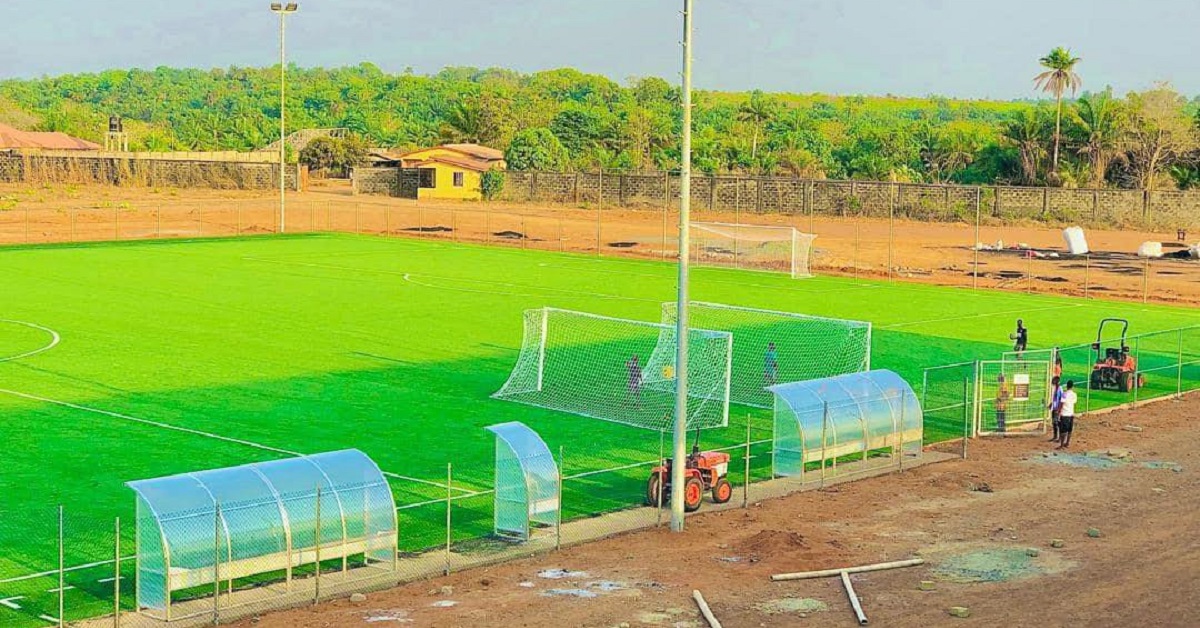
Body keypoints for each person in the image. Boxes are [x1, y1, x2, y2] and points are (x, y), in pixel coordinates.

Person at [1057, 380, 1077, 449]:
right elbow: (1074, 402)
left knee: (1063, 430)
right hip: (1071, 414)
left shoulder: (1064, 394)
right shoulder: (1074, 394)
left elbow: (1061, 403)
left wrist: (1058, 411)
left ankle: (1062, 445)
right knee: (1069, 430)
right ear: (1072, 386)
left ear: (1067, 386)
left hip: (1064, 414)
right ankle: (1067, 443)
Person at [1048, 375, 1064, 442]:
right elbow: (1054, 398)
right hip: (1054, 408)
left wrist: (1059, 409)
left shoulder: (1060, 389)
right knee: (1054, 423)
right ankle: (1055, 436)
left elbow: (1062, 399)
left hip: (1057, 409)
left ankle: (1060, 437)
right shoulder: (1055, 388)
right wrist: (1051, 404)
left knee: (1057, 423)